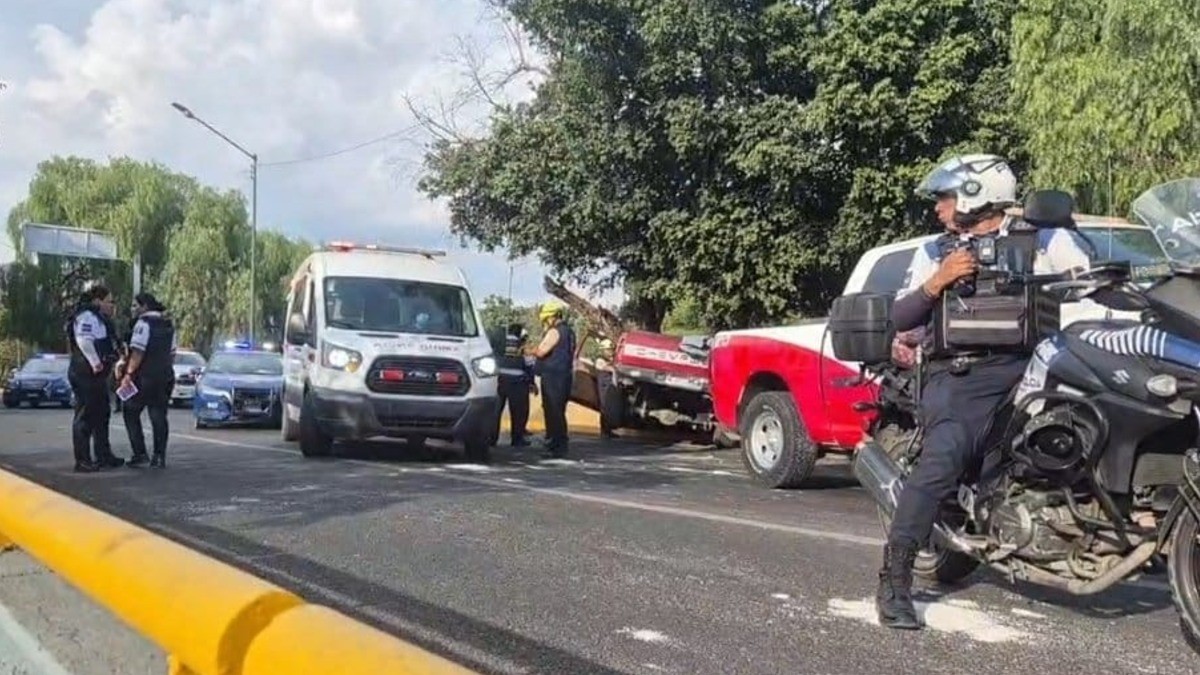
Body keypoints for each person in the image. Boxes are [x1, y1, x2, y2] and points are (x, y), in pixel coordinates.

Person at [875, 154, 1092, 630]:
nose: (938, 208)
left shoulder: (1043, 241)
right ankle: (894, 578)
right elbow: (901, 317)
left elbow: (1089, 286)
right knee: (944, 458)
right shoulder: (935, 252)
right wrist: (940, 281)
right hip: (959, 377)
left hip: (1028, 371)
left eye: (944, 197)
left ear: (976, 195)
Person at [65, 284, 125, 472]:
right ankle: (82, 460)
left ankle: (103, 455)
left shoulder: (101, 319)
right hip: (85, 372)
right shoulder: (87, 316)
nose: (112, 305)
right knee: (85, 415)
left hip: (97, 374)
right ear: (97, 301)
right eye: (109, 301)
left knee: (102, 413)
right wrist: (95, 362)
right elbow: (84, 340)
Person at [120, 292, 177, 468]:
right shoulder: (168, 325)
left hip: (144, 377)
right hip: (165, 376)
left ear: (144, 306)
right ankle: (159, 456)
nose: (133, 309)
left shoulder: (142, 324)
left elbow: (138, 352)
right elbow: (172, 353)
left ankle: (140, 453)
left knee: (130, 410)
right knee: (159, 415)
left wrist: (128, 374)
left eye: (135, 305)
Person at [528, 300, 576, 459]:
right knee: (558, 410)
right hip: (564, 376)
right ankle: (557, 442)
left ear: (551, 317)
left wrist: (529, 350)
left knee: (553, 411)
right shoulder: (570, 332)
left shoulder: (555, 331)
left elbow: (542, 351)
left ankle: (556, 444)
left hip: (553, 377)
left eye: (546, 320)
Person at [492, 322, 535, 447]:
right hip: (518, 383)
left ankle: (491, 438)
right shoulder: (522, 345)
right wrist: (531, 382)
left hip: (499, 380)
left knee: (495, 412)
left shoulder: (499, 342)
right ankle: (517, 439)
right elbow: (529, 363)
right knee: (519, 413)